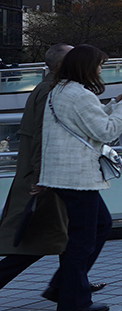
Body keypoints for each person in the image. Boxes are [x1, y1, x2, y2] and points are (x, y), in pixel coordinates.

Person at [39, 45, 122, 311]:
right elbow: (106, 131)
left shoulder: (61, 90)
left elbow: (82, 120)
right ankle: (72, 300)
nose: (99, 70)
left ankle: (64, 286)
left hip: (62, 174)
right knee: (83, 239)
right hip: (77, 176)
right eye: (99, 65)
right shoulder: (79, 94)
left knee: (99, 225)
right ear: (86, 66)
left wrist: (112, 105)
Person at [0, 43, 75, 294]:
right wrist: (42, 176)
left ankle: (72, 284)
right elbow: (44, 136)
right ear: (60, 66)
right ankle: (67, 286)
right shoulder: (51, 92)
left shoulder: (49, 88)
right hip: (47, 179)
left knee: (65, 235)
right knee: (45, 239)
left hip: (48, 176)